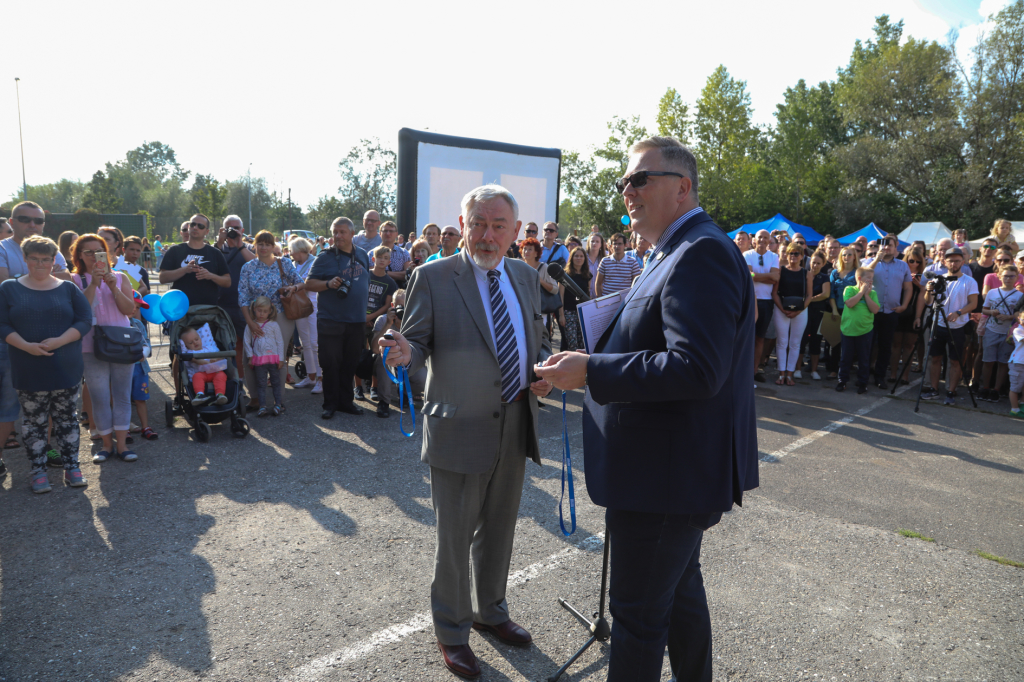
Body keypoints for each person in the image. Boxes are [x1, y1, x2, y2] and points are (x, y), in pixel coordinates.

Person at [535, 136, 758, 682]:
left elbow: (696, 369)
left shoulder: (700, 251)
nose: (627, 191)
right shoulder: (672, 251)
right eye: (624, 182)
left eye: (640, 179)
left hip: (665, 479)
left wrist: (591, 371)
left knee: (636, 622)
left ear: (682, 188)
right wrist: (589, 358)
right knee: (680, 599)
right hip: (665, 475)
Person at [380, 184, 553, 679]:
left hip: (516, 420)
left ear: (516, 232)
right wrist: (402, 350)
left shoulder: (523, 274)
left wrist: (540, 374)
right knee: (454, 539)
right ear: (462, 224)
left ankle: (490, 612)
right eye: (478, 223)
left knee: (499, 529)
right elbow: (413, 338)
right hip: (457, 426)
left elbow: (530, 336)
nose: (487, 234)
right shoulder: (432, 277)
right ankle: (452, 631)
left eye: (499, 225)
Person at [0, 236, 92, 493]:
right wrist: (26, 346)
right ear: (25, 259)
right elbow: (2, 324)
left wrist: (62, 340)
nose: (40, 264)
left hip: (66, 368)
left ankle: (72, 467)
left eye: (46, 259)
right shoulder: (9, 288)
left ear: (54, 261)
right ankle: (38, 471)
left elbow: (85, 320)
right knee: (34, 422)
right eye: (34, 258)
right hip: (28, 368)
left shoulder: (68, 288)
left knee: (67, 420)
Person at [71, 233, 140, 464]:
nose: (93, 256)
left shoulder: (120, 277)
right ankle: (106, 445)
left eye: (97, 251)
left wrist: (113, 287)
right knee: (100, 397)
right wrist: (93, 283)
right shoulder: (75, 280)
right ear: (79, 255)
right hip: (91, 346)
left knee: (121, 396)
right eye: (87, 252)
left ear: (106, 253)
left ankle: (122, 446)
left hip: (122, 343)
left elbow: (129, 310)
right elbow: (80, 310)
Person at [305, 217, 371, 419]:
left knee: (350, 362)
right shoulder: (324, 257)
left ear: (352, 234)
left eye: (342, 232)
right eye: (335, 232)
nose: (338, 236)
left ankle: (346, 402)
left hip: (357, 319)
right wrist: (328, 284)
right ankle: (330, 403)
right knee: (331, 362)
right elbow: (309, 284)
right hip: (331, 319)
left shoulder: (362, 254)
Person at [237, 230, 304, 409]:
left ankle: (278, 400)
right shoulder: (248, 267)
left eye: (268, 244)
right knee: (249, 357)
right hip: (255, 317)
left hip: (280, 314)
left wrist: (293, 288)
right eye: (261, 244)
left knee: (277, 356)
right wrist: (250, 323)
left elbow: (301, 282)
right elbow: (242, 297)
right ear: (255, 245)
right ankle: (256, 398)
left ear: (274, 246)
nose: (264, 247)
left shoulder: (284, 264)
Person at [922, 248, 979, 404]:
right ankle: (934, 389)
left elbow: (973, 303)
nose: (953, 263)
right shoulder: (938, 279)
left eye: (957, 260)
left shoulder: (969, 281)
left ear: (962, 262)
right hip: (937, 323)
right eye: (950, 260)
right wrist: (928, 290)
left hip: (958, 326)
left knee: (955, 360)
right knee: (935, 358)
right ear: (944, 262)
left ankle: (951, 392)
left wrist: (958, 313)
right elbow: (928, 302)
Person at [862, 235, 912, 389]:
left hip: (891, 312)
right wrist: (877, 259)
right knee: (867, 345)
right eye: (883, 245)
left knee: (885, 346)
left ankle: (879, 377)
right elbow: (863, 276)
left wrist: (904, 306)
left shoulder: (903, 266)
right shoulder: (869, 262)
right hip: (871, 310)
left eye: (889, 245)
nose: (886, 248)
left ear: (896, 245)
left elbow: (908, 287)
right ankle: (863, 377)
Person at [369, 289, 426, 418]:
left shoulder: (415, 321)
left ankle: (405, 394)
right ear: (393, 306)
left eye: (407, 306)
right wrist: (389, 324)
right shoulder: (383, 320)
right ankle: (384, 401)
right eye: (400, 306)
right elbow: (374, 349)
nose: (403, 310)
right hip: (387, 360)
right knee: (383, 359)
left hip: (406, 360)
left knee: (423, 378)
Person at [215, 216, 256, 379]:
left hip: (245, 307)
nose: (233, 231)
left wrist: (240, 246)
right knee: (226, 346)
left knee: (250, 347)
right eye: (229, 228)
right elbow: (210, 265)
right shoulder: (217, 250)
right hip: (222, 305)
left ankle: (250, 382)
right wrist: (219, 243)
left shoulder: (250, 248)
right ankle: (234, 383)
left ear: (243, 230)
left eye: (236, 228)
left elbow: (257, 266)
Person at [159, 214, 231, 305]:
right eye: (193, 224)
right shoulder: (175, 250)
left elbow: (227, 281)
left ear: (207, 231)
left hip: (207, 310)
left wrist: (210, 276)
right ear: (188, 227)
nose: (195, 227)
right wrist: (185, 269)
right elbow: (162, 278)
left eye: (200, 226)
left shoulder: (215, 253)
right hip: (180, 309)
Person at [979, 264, 1022, 402]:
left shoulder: (1020, 295)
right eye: (1005, 276)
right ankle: (985, 388)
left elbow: (1020, 315)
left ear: (1017, 277)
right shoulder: (992, 292)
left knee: (1003, 362)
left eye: (1011, 276)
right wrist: (992, 312)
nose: (1008, 279)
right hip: (991, 330)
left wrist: (1010, 317)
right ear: (999, 276)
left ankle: (996, 390)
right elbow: (984, 310)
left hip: (1008, 333)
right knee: (988, 361)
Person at [771, 243, 813, 386]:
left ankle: (790, 374)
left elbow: (809, 295)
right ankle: (781, 373)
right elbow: (774, 293)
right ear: (786, 255)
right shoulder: (781, 271)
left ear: (802, 256)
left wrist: (798, 311)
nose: (793, 256)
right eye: (791, 253)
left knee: (795, 343)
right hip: (781, 308)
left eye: (797, 253)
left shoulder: (807, 273)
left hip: (800, 311)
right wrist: (783, 310)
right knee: (782, 342)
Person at [837, 267, 880, 393]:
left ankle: (862, 383)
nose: (871, 281)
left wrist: (867, 295)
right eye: (869, 278)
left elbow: (875, 310)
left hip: (865, 330)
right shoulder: (849, 289)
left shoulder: (873, 293)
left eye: (872, 278)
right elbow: (850, 304)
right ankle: (842, 381)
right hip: (848, 330)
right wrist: (861, 292)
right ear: (860, 279)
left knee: (864, 358)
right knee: (846, 357)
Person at [745, 229, 780, 382]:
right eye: (760, 237)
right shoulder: (746, 255)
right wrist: (766, 276)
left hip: (766, 302)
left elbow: (775, 279)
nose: (762, 240)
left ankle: (754, 371)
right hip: (749, 300)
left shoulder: (774, 256)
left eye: (766, 238)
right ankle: (743, 371)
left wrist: (754, 276)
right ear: (754, 239)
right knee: (746, 337)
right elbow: (747, 274)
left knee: (760, 338)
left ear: (769, 240)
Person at [889, 246, 927, 385]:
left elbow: (923, 298)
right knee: (896, 344)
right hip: (897, 310)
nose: (915, 264)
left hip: (914, 313)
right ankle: (893, 374)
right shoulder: (899, 272)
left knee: (909, 346)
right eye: (912, 261)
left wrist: (920, 286)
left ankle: (905, 376)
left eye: (918, 262)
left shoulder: (924, 276)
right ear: (906, 261)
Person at [242, 297, 284, 417]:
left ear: (270, 311)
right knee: (261, 384)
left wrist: (281, 358)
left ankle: (278, 404)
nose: (262, 313)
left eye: (265, 311)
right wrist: (250, 357)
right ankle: (262, 406)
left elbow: (280, 342)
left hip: (273, 359)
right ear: (254, 309)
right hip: (259, 360)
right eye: (259, 310)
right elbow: (246, 342)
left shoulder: (274, 325)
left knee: (276, 382)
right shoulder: (250, 325)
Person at [289, 238, 321, 393]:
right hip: (298, 305)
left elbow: (311, 283)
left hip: (313, 305)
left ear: (299, 250)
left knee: (315, 343)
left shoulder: (315, 262)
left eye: (292, 251)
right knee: (305, 343)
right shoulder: (293, 265)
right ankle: (311, 376)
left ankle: (321, 379)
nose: (291, 254)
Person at [828, 246, 860, 380]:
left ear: (854, 257)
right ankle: (833, 370)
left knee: (850, 343)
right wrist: (834, 310)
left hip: (852, 310)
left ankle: (846, 370)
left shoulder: (858, 272)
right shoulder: (834, 273)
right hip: (836, 309)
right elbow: (831, 293)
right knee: (834, 342)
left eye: (849, 255)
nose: (846, 257)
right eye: (844, 255)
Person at [799, 251, 832, 380]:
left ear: (823, 264)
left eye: (818, 263)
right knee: (801, 340)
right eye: (813, 262)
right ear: (809, 262)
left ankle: (814, 370)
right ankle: (797, 369)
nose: (815, 265)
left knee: (816, 341)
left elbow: (825, 294)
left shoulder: (824, 277)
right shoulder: (803, 274)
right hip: (802, 312)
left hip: (818, 313)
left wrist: (808, 299)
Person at [129, 298, 158, 441]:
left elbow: (146, 343)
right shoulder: (115, 324)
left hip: (139, 369)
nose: (135, 309)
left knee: (140, 399)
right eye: (133, 305)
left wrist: (144, 353)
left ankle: (145, 427)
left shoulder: (138, 324)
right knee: (122, 400)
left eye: (138, 307)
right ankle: (124, 428)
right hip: (122, 369)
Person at [181, 326, 230, 407]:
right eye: (190, 343)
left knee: (221, 375)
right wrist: (200, 361)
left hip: (215, 371)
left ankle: (220, 395)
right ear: (186, 346)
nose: (195, 343)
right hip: (201, 373)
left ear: (200, 338)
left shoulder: (210, 348)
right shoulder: (190, 352)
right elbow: (193, 360)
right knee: (196, 376)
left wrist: (216, 359)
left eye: (196, 339)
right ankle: (200, 394)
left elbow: (221, 356)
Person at [560, 246, 592, 352]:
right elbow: (561, 296)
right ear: (572, 258)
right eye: (576, 256)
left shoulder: (587, 275)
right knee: (572, 344)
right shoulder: (565, 275)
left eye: (581, 256)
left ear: (584, 259)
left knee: (583, 344)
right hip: (568, 312)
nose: (579, 258)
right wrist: (561, 315)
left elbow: (589, 295)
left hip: (583, 313)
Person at [596, 232, 642, 296]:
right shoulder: (605, 261)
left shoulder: (633, 262)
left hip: (625, 301)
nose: (617, 246)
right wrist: (600, 300)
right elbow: (598, 283)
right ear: (611, 245)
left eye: (620, 244)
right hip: (607, 301)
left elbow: (636, 284)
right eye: (615, 244)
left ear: (625, 245)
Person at [377, 221, 411, 285]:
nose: (388, 233)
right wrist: (396, 275)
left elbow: (407, 275)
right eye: (385, 231)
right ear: (380, 233)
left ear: (396, 234)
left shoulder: (404, 253)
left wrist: (385, 273)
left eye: (391, 231)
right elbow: (372, 275)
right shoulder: (372, 253)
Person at [1007, 308, 1024, 418]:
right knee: (1015, 388)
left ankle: (1022, 404)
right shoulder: (1018, 330)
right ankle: (1014, 409)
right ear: (1019, 319)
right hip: (1017, 363)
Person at [584, 233, 607, 297]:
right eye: (592, 241)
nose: (594, 243)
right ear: (588, 243)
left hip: (601, 295)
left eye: (597, 242)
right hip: (585, 294)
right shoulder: (583, 258)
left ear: (601, 244)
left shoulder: (605, 259)